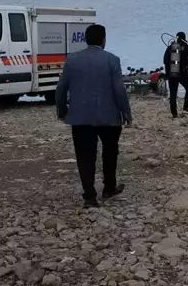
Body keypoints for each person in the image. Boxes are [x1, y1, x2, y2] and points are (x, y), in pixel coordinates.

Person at [56, 24, 132, 208]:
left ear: (85, 39)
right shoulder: (112, 60)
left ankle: (89, 195)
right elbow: (119, 90)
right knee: (110, 151)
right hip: (109, 116)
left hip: (80, 116)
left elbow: (61, 88)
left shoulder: (72, 60)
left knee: (84, 155)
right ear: (103, 40)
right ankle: (109, 187)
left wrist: (61, 110)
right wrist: (125, 111)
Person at [163, 31, 188, 119]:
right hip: (183, 74)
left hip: (172, 74)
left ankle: (174, 114)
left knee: (173, 94)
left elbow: (165, 61)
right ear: (184, 38)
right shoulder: (187, 47)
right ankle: (185, 109)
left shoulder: (170, 47)